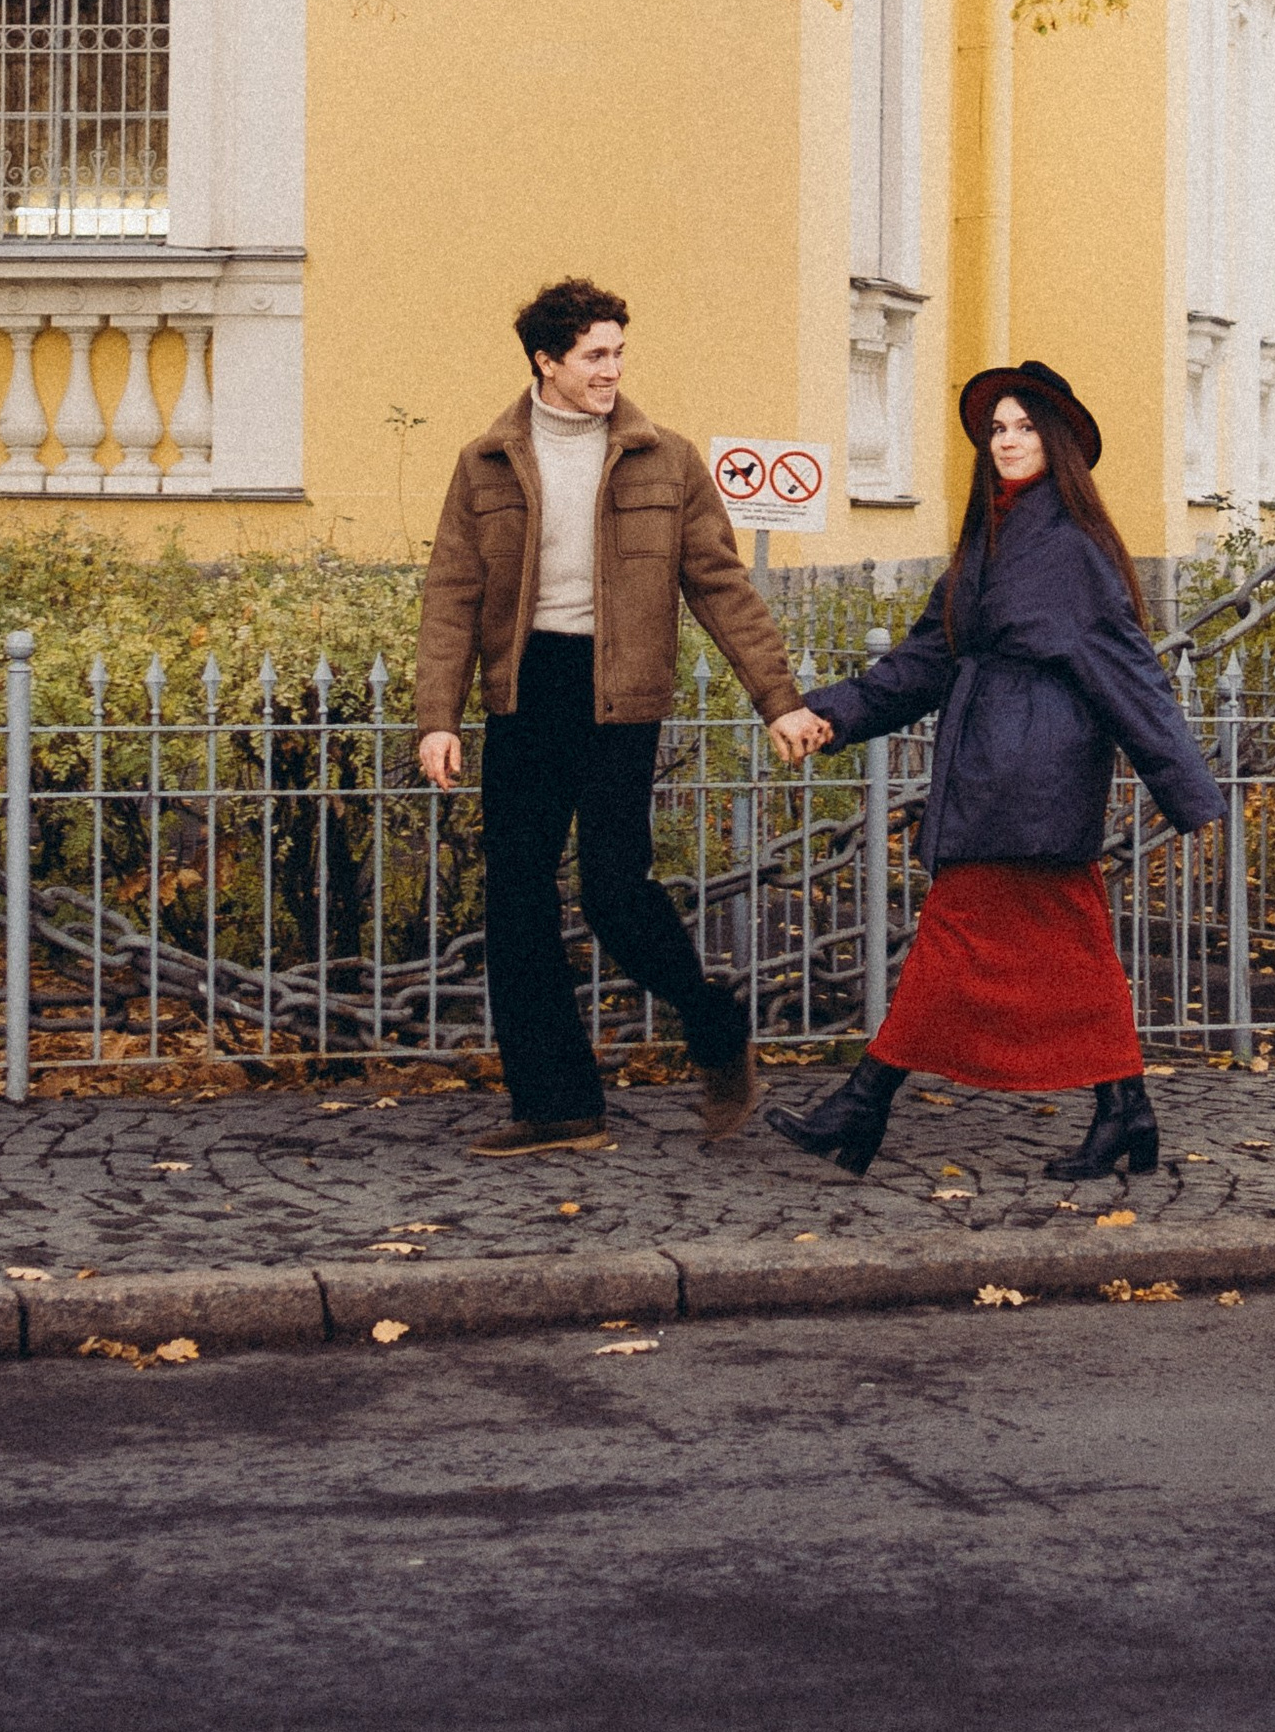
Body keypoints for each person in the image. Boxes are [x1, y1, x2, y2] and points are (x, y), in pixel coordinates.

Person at [767, 362, 1222, 1185]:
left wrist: (1186, 788)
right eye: (998, 430)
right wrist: (830, 714)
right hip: (995, 770)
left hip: (1032, 776)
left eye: (1025, 428)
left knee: (955, 938)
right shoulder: (993, 541)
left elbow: (1129, 671)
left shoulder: (1071, 549)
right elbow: (924, 660)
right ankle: (1125, 1110)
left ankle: (863, 1104)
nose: (1008, 442)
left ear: (1058, 443)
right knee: (1071, 949)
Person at [417, 277, 810, 1157]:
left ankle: (713, 1026)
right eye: (594, 355)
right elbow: (451, 594)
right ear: (545, 362)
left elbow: (721, 587)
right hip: (525, 691)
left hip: (618, 696)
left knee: (614, 890)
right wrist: (437, 717)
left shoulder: (665, 460)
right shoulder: (485, 462)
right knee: (517, 899)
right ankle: (558, 1104)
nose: (611, 370)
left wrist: (778, 701)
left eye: (618, 353)